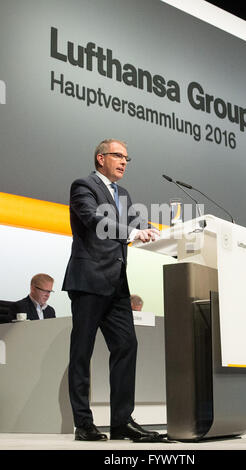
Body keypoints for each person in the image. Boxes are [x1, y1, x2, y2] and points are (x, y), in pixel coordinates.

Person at [62, 138, 159, 442]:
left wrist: (164, 234)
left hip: (117, 284)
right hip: (89, 279)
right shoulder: (83, 186)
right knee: (82, 353)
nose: (124, 162)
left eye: (127, 158)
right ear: (101, 158)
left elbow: (139, 224)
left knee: (126, 346)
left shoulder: (124, 194)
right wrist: (134, 232)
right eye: (118, 156)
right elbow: (95, 220)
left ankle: (121, 422)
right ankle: (84, 424)